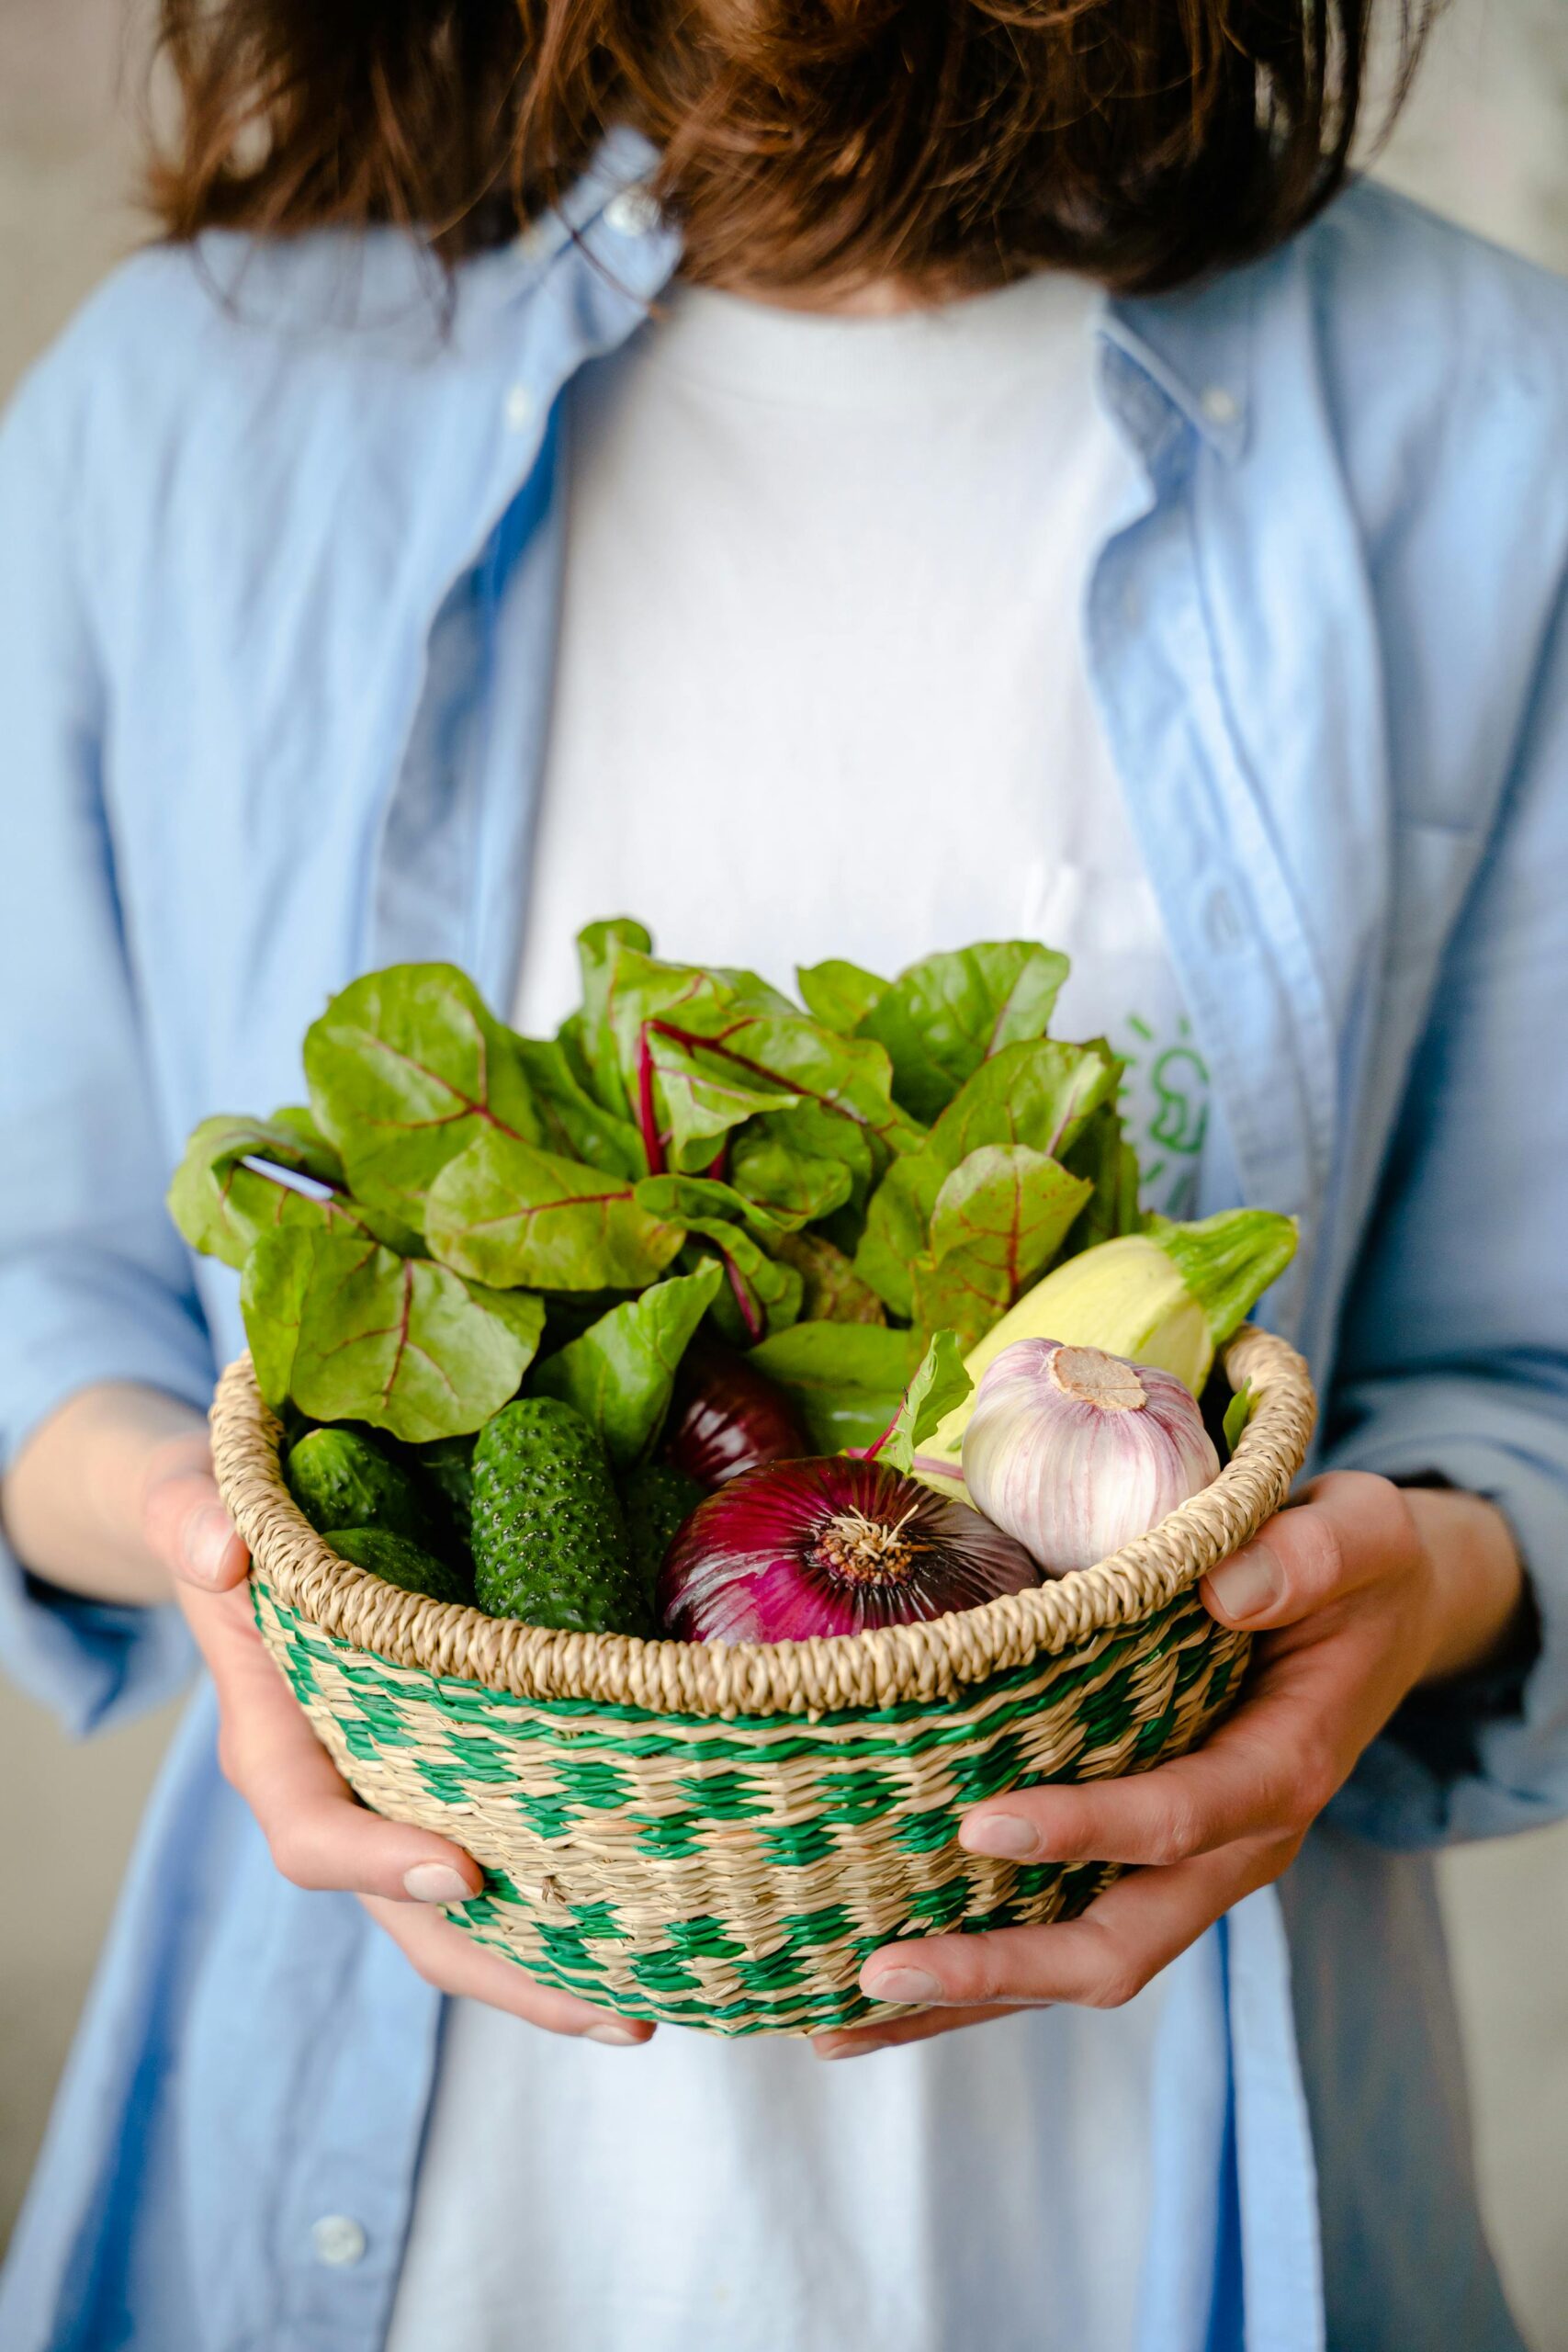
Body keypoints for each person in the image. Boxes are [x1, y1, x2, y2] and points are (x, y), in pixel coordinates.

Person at [0, 3, 1563, 2346]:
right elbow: (43, 1286)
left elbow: (1521, 1377)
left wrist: (1408, 1583)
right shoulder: (181, 407)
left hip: (1155, 2204)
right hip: (368, 2219)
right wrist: (207, 1551)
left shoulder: (1485, 415)